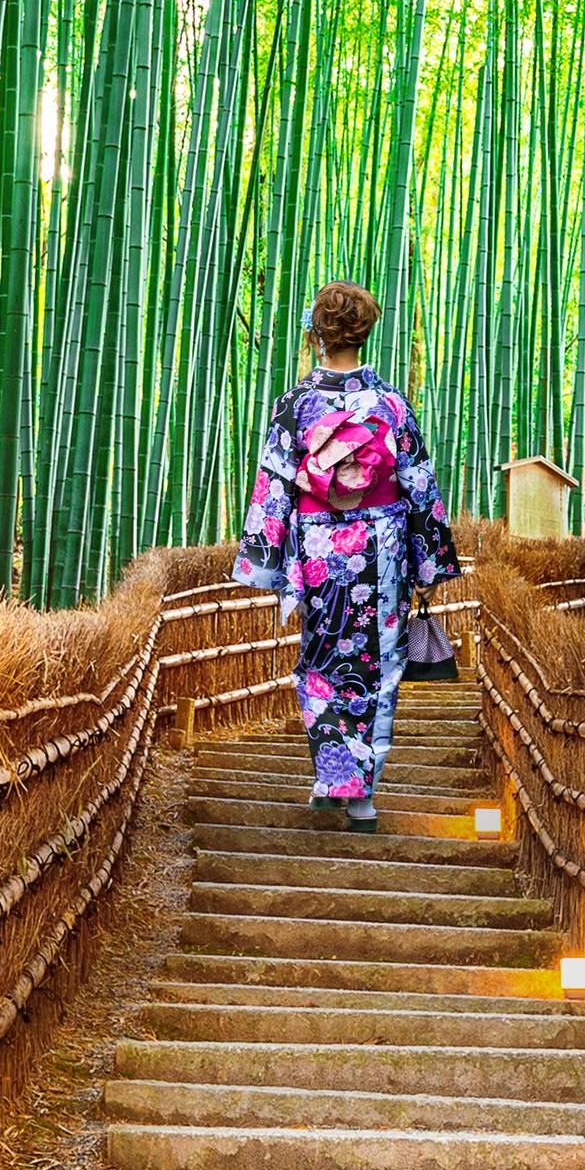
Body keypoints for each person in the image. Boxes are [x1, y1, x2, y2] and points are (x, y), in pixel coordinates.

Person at [229, 281, 461, 826]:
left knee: (322, 658)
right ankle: (361, 794)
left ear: (316, 337)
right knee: (378, 664)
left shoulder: (294, 404)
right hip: (381, 551)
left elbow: (275, 487)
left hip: (318, 550)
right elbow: (419, 485)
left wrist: (266, 561)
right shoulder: (390, 405)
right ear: (364, 334)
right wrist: (428, 563)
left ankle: (333, 774)